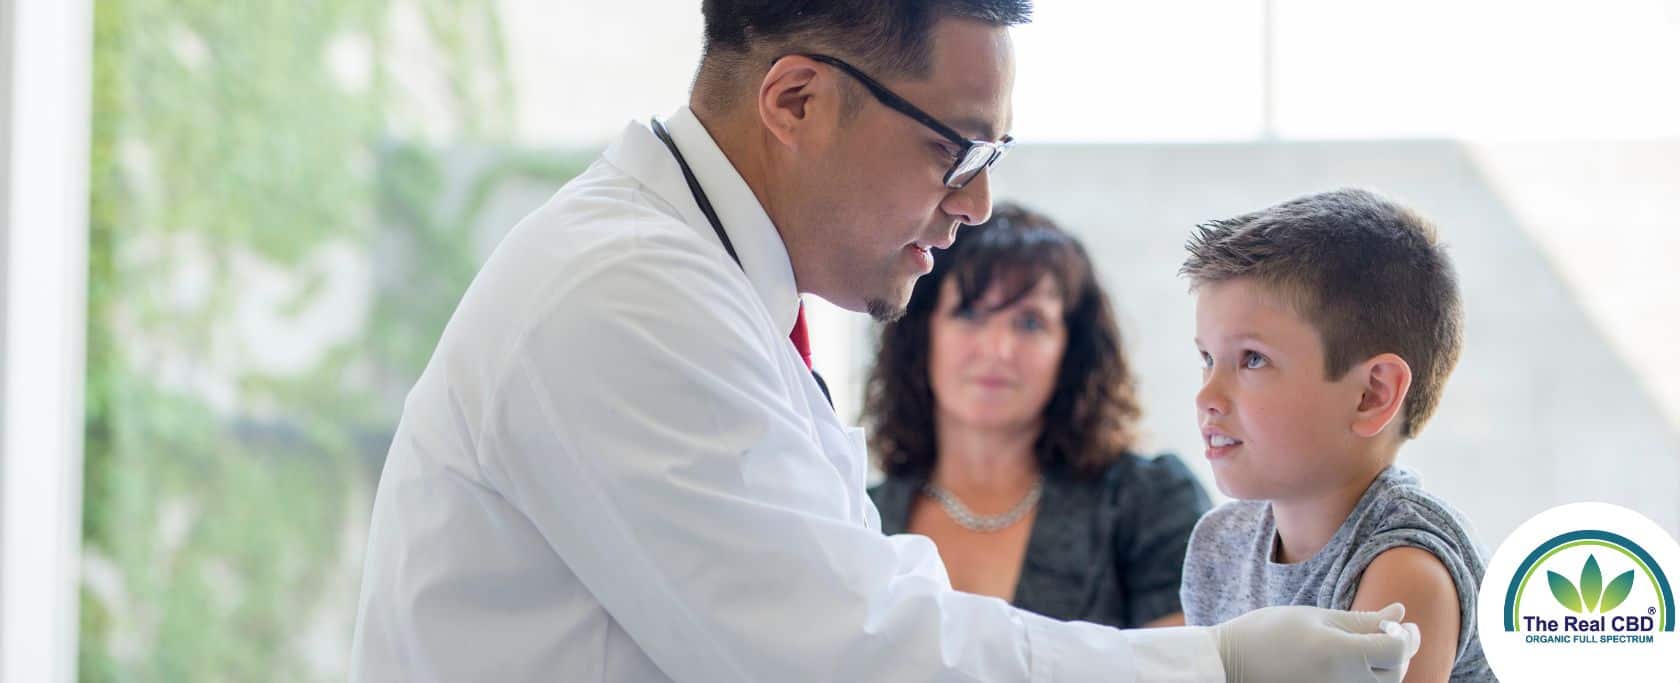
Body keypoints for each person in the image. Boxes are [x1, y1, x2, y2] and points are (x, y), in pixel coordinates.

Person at [349, 2, 1421, 681]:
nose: (979, 199)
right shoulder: (626, 295)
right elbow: (859, 655)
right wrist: (1215, 665)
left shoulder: (704, 282)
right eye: (955, 148)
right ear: (799, 99)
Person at [1177, 188, 1494, 681]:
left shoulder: (1404, 566)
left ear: (1372, 394)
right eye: (1207, 359)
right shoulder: (1219, 545)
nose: (1207, 396)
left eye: (1253, 359)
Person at [865, 203, 1210, 628]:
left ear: (1072, 350)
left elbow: (1185, 668)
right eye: (970, 314)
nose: (998, 350)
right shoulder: (857, 515)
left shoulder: (1149, 501)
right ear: (922, 334)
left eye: (1029, 323)